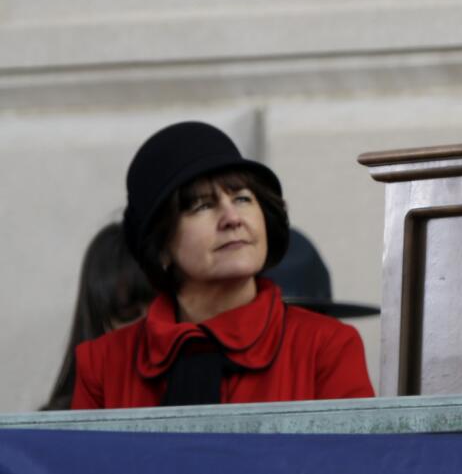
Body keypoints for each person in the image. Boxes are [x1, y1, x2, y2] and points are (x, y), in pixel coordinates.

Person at [71, 121, 374, 408]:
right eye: (203, 205)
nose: (232, 218)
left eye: (242, 198)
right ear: (161, 247)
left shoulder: (327, 346)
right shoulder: (102, 364)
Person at [43, 222, 156, 410]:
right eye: (130, 313)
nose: (152, 325)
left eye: (165, 307)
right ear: (101, 324)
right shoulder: (56, 429)